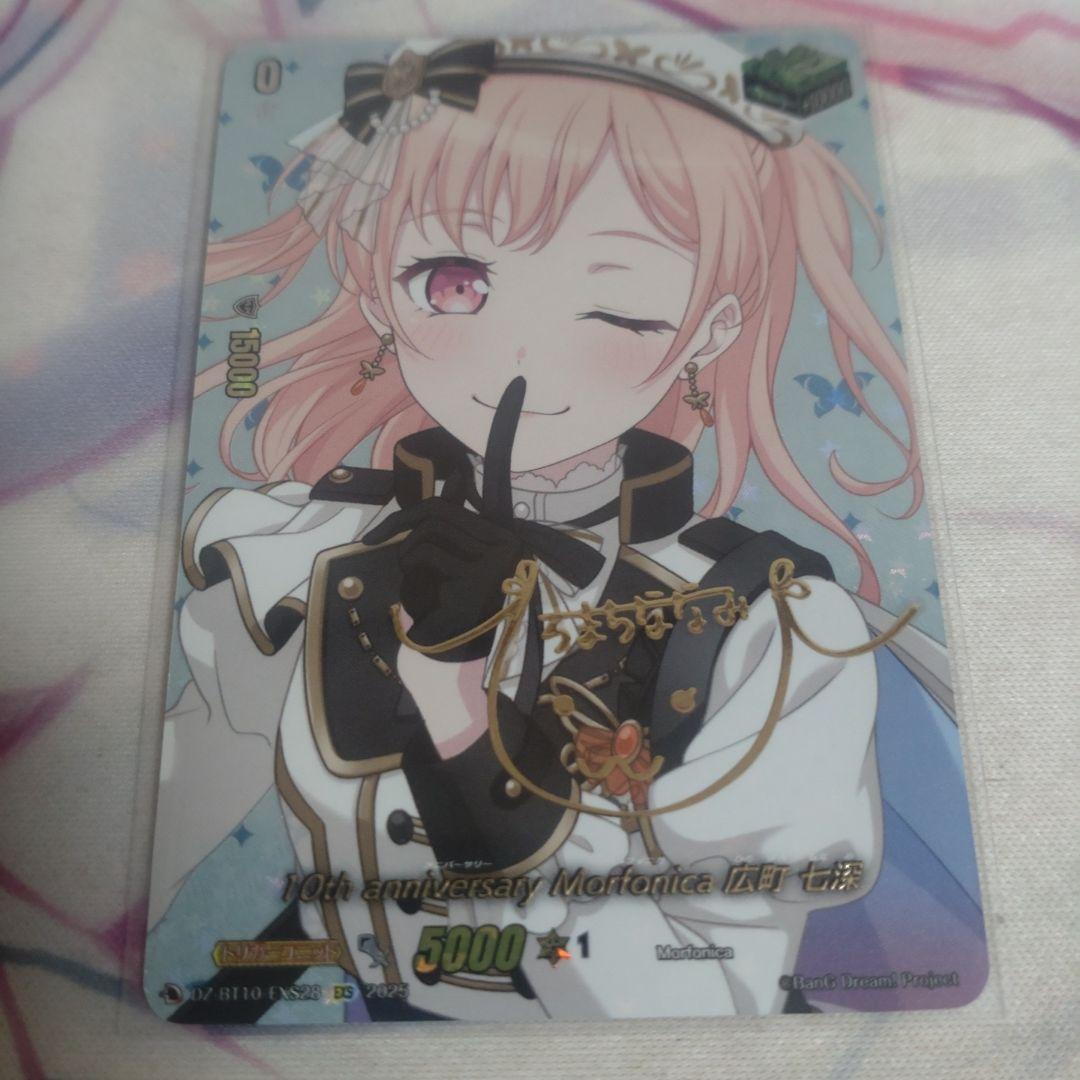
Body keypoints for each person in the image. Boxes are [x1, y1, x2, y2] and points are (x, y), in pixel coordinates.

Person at [150, 34, 921, 1020]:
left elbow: (712, 994)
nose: (518, 355)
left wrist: (465, 719)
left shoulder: (768, 624)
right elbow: (158, 821)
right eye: (454, 282)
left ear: (710, 331)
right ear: (377, 285)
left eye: (616, 307)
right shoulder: (298, 555)